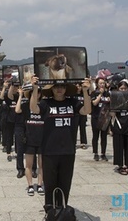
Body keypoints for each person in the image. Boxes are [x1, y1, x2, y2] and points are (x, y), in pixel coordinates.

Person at [30, 76, 91, 209]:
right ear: (52, 89)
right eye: (56, 86)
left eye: (62, 86)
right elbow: (34, 108)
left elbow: (87, 110)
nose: (59, 89)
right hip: (49, 151)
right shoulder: (46, 103)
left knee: (65, 183)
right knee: (50, 183)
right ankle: (50, 210)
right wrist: (35, 89)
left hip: (68, 150)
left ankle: (62, 208)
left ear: (66, 89)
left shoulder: (73, 102)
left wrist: (86, 92)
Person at [15, 86, 44, 196]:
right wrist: (21, 95)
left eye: (37, 93)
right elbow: (17, 110)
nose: (36, 95)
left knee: (42, 165)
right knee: (29, 164)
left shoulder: (43, 105)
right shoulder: (26, 106)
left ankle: (40, 185)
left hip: (42, 137)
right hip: (29, 138)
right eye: (32, 93)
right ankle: (30, 185)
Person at [110, 80, 128, 175]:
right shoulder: (115, 98)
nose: (123, 90)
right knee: (118, 145)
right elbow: (112, 114)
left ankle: (127, 165)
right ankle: (120, 165)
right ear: (118, 89)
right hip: (118, 124)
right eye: (121, 89)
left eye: (125, 88)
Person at [91, 77, 111, 161]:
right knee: (95, 136)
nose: (102, 85)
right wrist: (100, 94)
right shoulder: (94, 93)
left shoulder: (108, 94)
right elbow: (94, 103)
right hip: (96, 117)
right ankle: (95, 153)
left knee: (104, 136)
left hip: (104, 118)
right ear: (97, 84)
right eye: (100, 83)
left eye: (103, 83)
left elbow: (110, 104)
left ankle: (103, 153)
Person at [73, 83, 88, 149]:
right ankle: (74, 142)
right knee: (74, 129)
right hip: (75, 114)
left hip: (83, 114)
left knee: (83, 128)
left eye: (79, 86)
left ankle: (83, 142)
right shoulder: (73, 95)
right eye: (77, 86)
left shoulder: (83, 94)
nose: (78, 87)